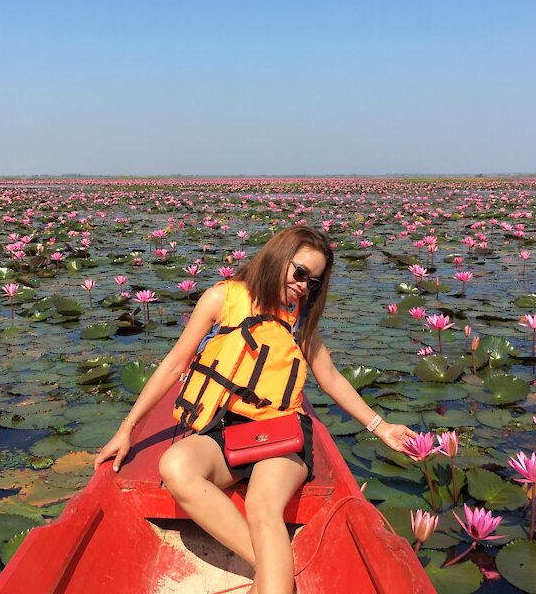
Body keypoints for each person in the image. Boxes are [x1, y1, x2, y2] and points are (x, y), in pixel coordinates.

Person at [94, 226, 414, 594]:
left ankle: (271, 582)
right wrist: (127, 428)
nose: (303, 286)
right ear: (278, 257)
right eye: (300, 274)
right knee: (176, 466)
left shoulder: (300, 320)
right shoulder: (222, 297)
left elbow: (331, 378)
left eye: (313, 282)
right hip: (225, 427)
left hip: (283, 433)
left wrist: (381, 426)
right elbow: (173, 365)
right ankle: (274, 573)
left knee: (263, 508)